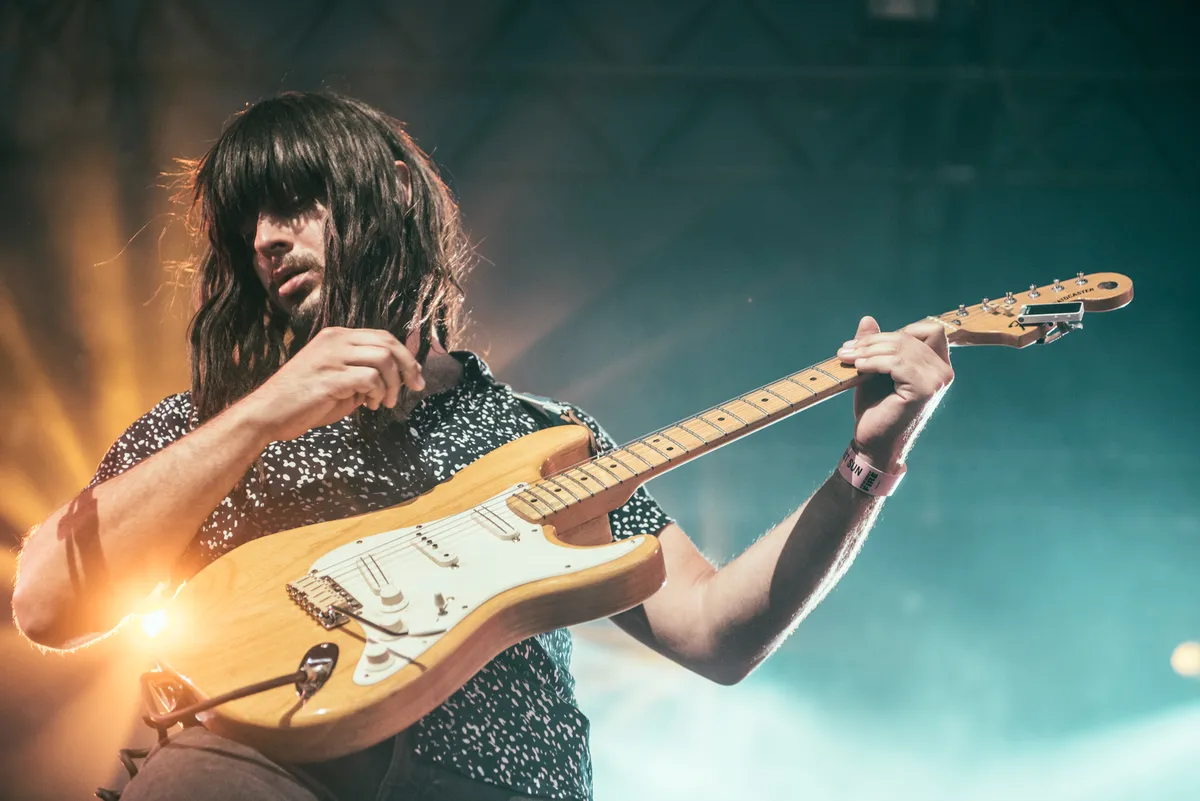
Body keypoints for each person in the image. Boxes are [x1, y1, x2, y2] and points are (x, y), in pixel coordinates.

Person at [12, 91, 954, 801]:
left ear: (388, 196)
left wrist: (866, 466)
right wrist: (261, 413)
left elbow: (713, 631)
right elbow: (46, 601)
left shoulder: (539, 435)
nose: (267, 238)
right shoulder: (205, 426)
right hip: (255, 767)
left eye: (295, 201)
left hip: (501, 778)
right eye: (248, 221)